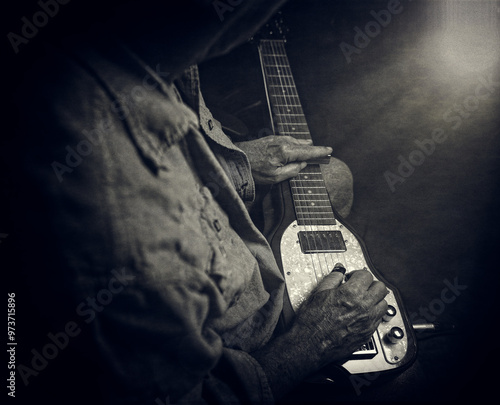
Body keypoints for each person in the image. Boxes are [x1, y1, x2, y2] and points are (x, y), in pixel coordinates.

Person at [11, 0, 388, 403]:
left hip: (238, 261)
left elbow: (182, 164)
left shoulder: (149, 52)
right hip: (256, 351)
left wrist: (241, 163)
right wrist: (313, 340)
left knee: (333, 176)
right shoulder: (109, 188)